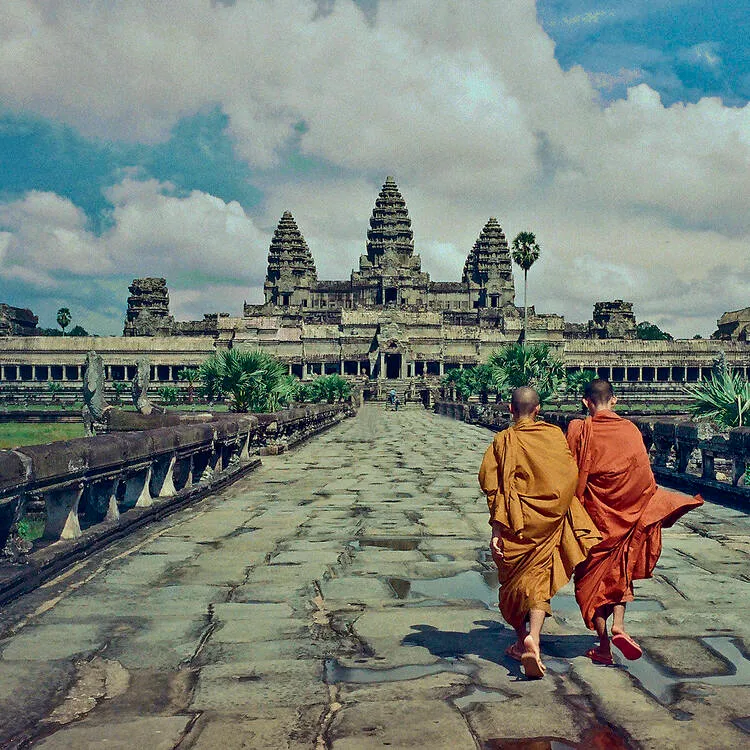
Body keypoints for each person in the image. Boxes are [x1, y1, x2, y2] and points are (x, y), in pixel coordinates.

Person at [567, 379, 703, 665]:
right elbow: (644, 478)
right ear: (614, 400)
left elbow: (569, 474)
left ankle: (604, 646)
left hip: (594, 521)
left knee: (591, 584)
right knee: (621, 573)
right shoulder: (630, 430)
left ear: (585, 402)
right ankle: (619, 625)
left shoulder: (579, 430)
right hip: (627, 517)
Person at [478, 386, 601, 678]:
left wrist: (497, 527)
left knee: (511, 585)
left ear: (510, 410)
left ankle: (523, 639)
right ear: (538, 410)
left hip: (516, 522)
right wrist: (558, 510)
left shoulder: (502, 441)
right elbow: (569, 476)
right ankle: (534, 637)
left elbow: (492, 485)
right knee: (539, 580)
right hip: (546, 523)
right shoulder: (553, 435)